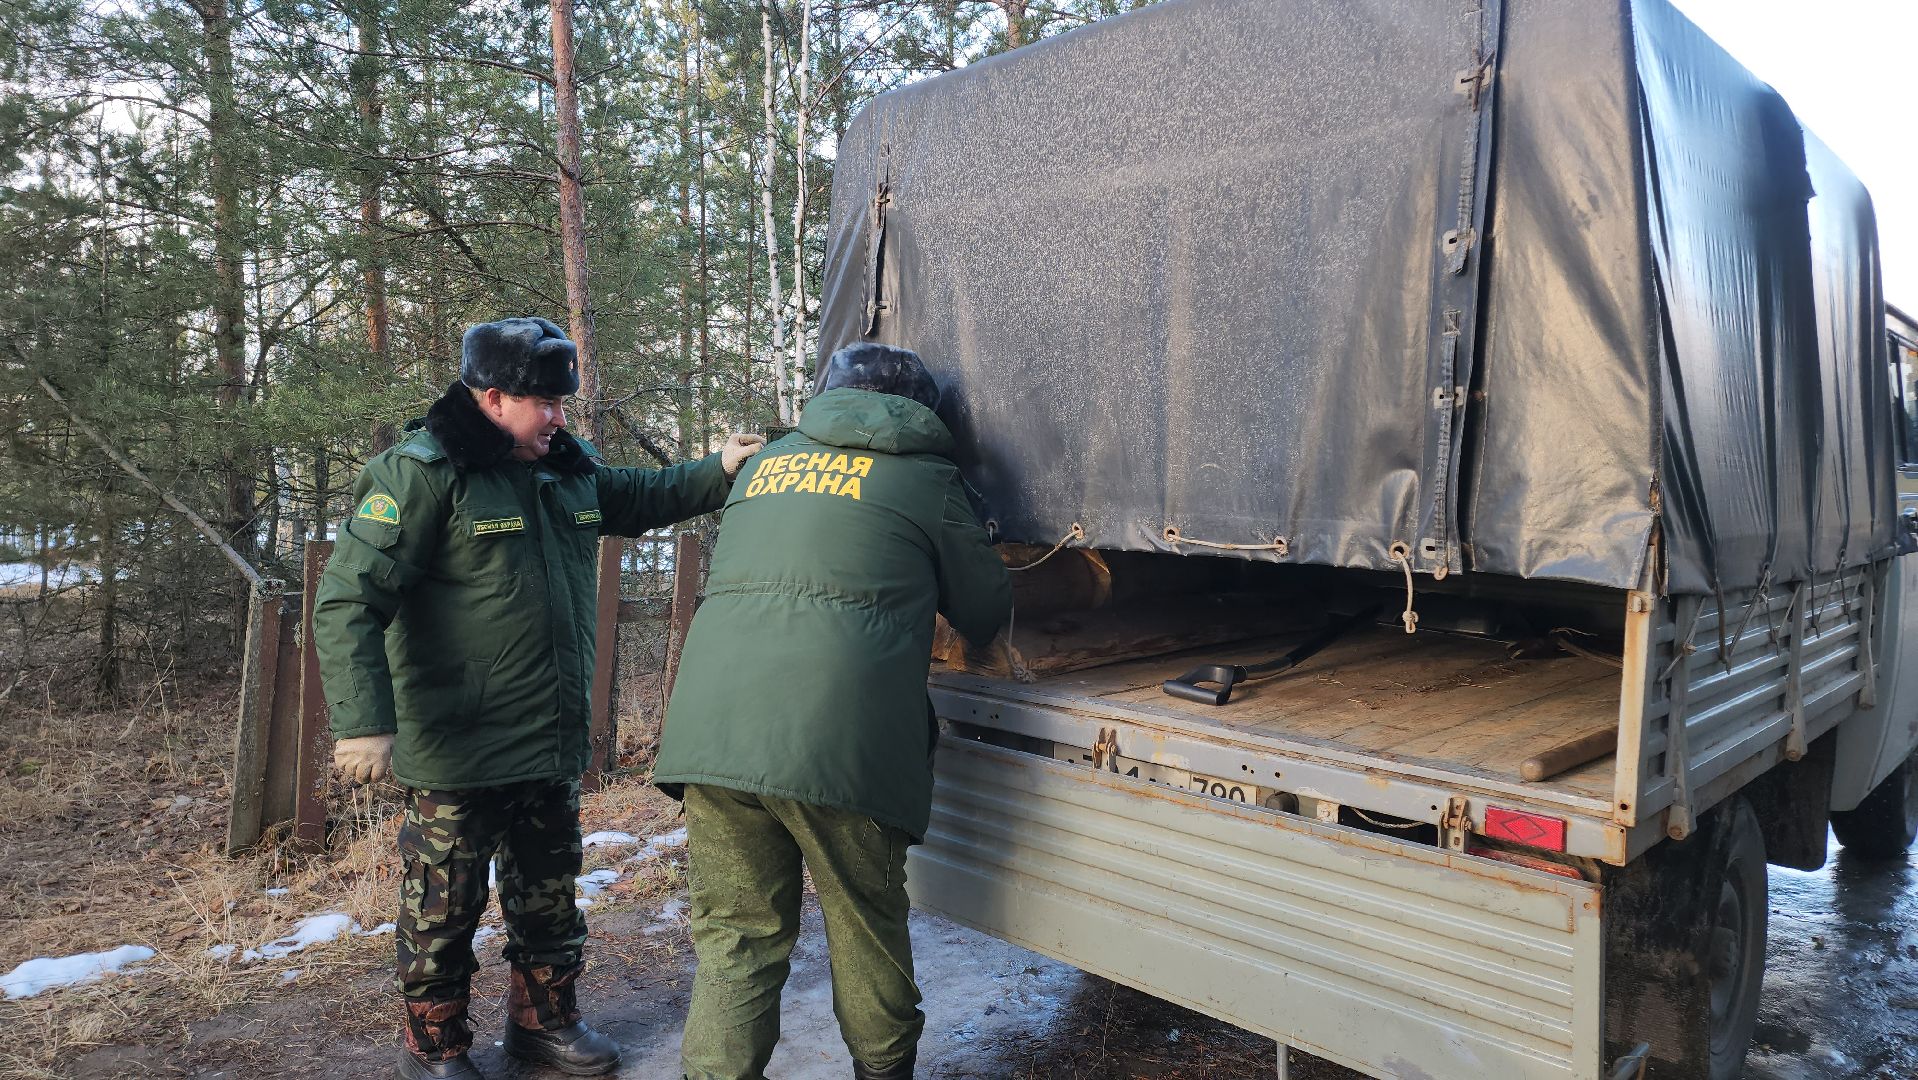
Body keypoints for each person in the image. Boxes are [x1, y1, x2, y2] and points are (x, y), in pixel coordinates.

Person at [313, 316, 765, 1080]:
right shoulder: (420, 475)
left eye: (563, 402)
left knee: (549, 900)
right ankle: (434, 1048)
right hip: (459, 748)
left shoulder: (564, 468)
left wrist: (718, 469)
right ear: (492, 398)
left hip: (547, 741)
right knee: (443, 910)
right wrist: (362, 723)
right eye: (545, 403)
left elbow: (640, 494)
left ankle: (544, 1026)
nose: (559, 417)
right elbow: (348, 602)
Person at [653, 342, 1013, 1080]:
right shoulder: (927, 478)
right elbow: (984, 613)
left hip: (713, 735)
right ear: (921, 412)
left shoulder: (765, 464)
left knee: (736, 939)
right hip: (840, 744)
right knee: (864, 930)